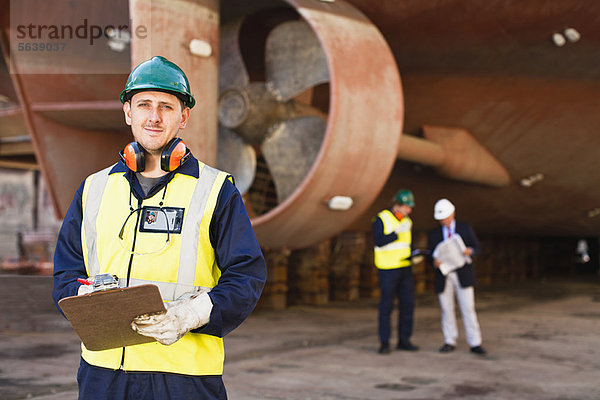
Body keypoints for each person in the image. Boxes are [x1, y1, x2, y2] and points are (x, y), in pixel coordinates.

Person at [52, 56, 267, 399]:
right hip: (103, 375)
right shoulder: (93, 189)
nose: (154, 116)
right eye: (144, 105)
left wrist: (190, 315)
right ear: (128, 112)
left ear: (184, 117)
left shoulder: (215, 191)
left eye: (166, 106)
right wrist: (84, 299)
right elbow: (65, 272)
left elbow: (247, 276)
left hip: (182, 376)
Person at [426, 198, 486, 356]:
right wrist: (434, 261)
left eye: (445, 217)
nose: (443, 221)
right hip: (444, 275)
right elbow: (429, 254)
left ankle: (475, 342)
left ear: (452, 213)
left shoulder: (465, 229)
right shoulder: (434, 234)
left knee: (468, 308)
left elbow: (478, 248)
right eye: (441, 219)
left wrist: (470, 251)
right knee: (447, 309)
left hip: (463, 274)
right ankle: (449, 340)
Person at [372, 189, 419, 354]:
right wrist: (395, 233)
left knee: (407, 305)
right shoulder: (382, 218)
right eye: (407, 207)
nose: (409, 210)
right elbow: (379, 241)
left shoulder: (408, 221)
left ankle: (404, 340)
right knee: (386, 307)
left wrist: (415, 254)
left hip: (405, 268)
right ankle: (384, 343)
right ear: (397, 205)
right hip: (388, 269)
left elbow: (406, 244)